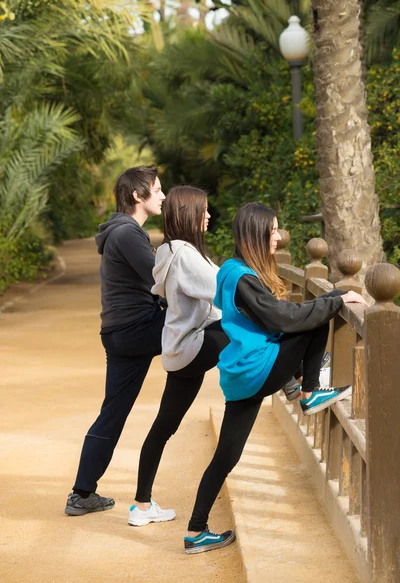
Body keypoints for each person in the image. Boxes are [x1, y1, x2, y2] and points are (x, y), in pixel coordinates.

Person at [184, 202, 366, 554]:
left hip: (243, 372)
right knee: (313, 319)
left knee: (227, 455)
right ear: (255, 234)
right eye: (272, 232)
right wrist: (336, 297)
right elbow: (285, 320)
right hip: (256, 368)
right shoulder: (243, 279)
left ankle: (195, 532)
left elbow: (267, 319)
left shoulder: (231, 270)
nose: (278, 237)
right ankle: (309, 391)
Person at [65, 166, 166, 516]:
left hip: (120, 333)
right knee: (214, 324)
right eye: (157, 190)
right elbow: (161, 280)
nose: (163, 196)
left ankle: (82, 494)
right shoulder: (127, 233)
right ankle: (291, 378)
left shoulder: (120, 232)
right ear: (138, 196)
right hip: (139, 327)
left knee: (112, 414)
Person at [127, 186, 229, 527]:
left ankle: (141, 505)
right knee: (244, 327)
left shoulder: (170, 250)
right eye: (203, 211)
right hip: (193, 345)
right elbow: (223, 292)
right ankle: (297, 381)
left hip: (180, 350)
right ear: (187, 214)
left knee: (162, 428)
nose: (209, 216)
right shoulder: (184, 254)